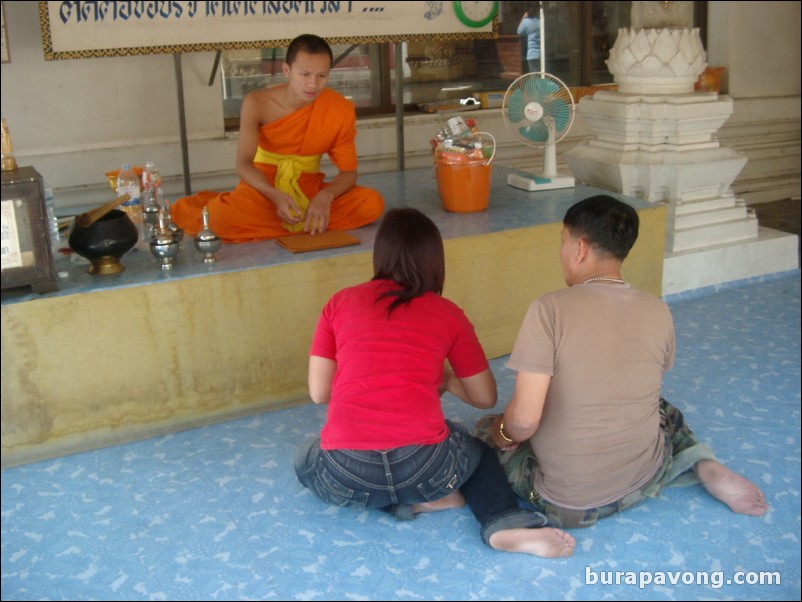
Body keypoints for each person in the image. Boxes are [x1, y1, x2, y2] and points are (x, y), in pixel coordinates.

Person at [294, 207, 576, 558]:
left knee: (306, 459)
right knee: (477, 452)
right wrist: (444, 379)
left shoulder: (339, 303)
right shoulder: (447, 313)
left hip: (346, 477)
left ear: (379, 253)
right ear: (434, 261)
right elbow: (485, 397)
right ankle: (503, 524)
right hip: (426, 469)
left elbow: (319, 393)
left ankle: (402, 506)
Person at [476, 195, 768, 529]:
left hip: (567, 504)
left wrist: (502, 429)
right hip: (645, 477)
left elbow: (525, 422)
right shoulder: (658, 308)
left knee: (489, 429)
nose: (562, 253)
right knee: (662, 409)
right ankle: (702, 463)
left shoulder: (549, 308)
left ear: (580, 248)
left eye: (563, 243)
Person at [171, 34, 384, 243]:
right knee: (216, 220)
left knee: (371, 204)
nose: (313, 84)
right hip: (263, 192)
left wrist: (325, 197)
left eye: (322, 76)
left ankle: (307, 217)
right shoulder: (257, 103)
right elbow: (243, 165)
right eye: (305, 74)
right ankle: (305, 223)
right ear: (286, 70)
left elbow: (348, 172)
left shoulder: (339, 109)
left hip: (309, 191)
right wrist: (275, 196)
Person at [517, 4, 542, 73]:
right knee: (541, 74)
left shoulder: (526, 22)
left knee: (534, 76)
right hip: (542, 53)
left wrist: (524, 17)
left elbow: (519, 31)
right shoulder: (540, 22)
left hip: (532, 53)